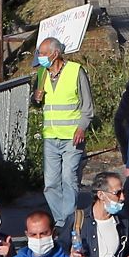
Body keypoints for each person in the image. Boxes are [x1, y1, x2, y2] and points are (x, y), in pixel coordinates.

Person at [32, 37, 93, 226]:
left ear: (55, 53)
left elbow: (87, 105)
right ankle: (60, 221)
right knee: (50, 183)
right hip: (50, 136)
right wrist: (36, 98)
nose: (40, 57)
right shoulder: (42, 73)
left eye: (43, 53)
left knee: (69, 178)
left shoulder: (75, 71)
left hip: (72, 137)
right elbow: (36, 102)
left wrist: (82, 127)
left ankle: (68, 220)